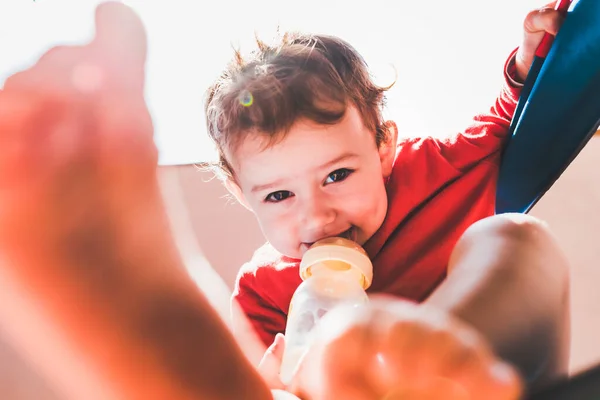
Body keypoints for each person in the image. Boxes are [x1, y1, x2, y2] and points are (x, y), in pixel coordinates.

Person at [203, 0, 571, 394]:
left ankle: (421, 371)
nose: (317, 216)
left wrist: (533, 63)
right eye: (279, 195)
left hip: (488, 378)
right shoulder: (262, 293)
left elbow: (509, 119)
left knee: (512, 234)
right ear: (242, 196)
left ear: (383, 150)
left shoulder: (435, 169)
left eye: (337, 175)